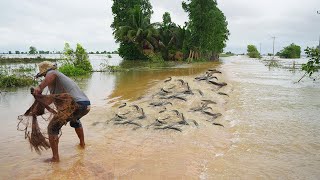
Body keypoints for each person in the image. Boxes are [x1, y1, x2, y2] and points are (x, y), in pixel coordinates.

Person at [33, 61, 90, 162]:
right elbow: (49, 101)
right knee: (74, 121)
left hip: (75, 105)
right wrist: (37, 97)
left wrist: (40, 87)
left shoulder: (53, 74)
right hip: (85, 106)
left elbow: (52, 75)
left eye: (44, 75)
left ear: (45, 73)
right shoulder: (57, 83)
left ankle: (55, 158)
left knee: (52, 127)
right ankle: (82, 144)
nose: (44, 78)